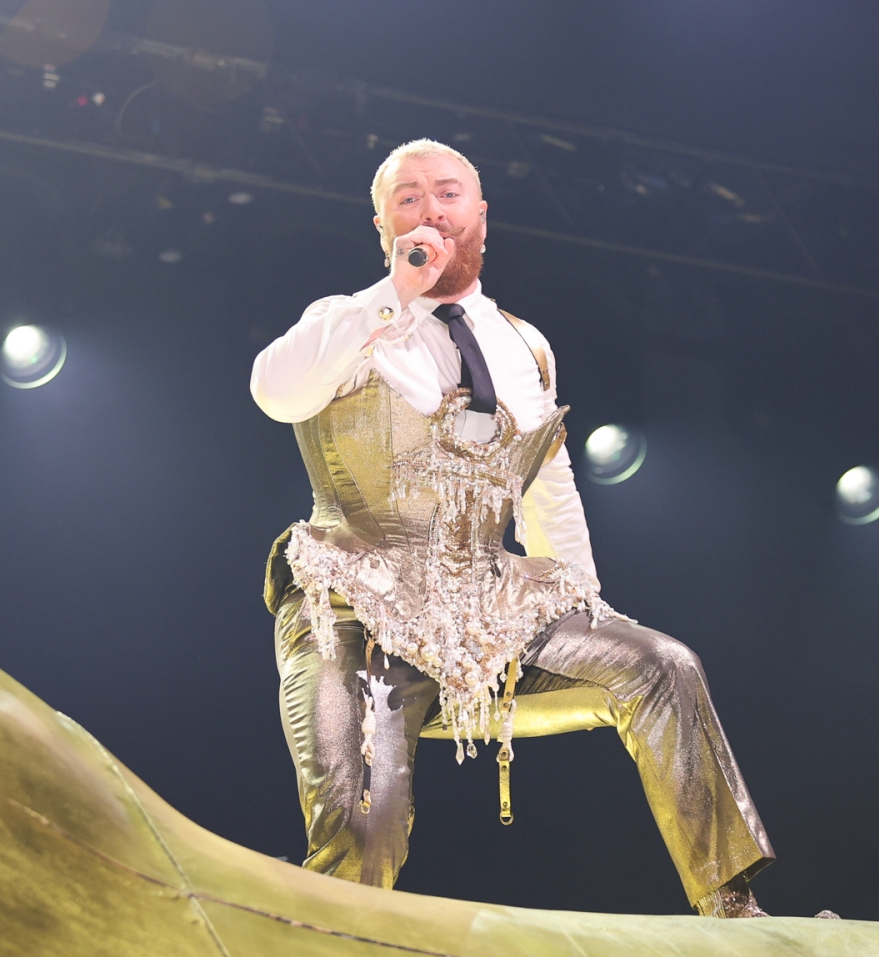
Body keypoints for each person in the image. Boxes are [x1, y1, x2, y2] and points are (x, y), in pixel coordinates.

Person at [250, 139, 774, 917]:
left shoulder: (524, 345)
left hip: (486, 610)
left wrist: (586, 608)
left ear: (482, 217)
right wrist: (395, 293)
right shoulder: (350, 321)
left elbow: (550, 486)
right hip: (356, 609)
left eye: (447, 193)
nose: (430, 209)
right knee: (366, 826)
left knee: (662, 666)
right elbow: (277, 392)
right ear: (383, 225)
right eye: (408, 198)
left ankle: (731, 908)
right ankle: (331, 940)